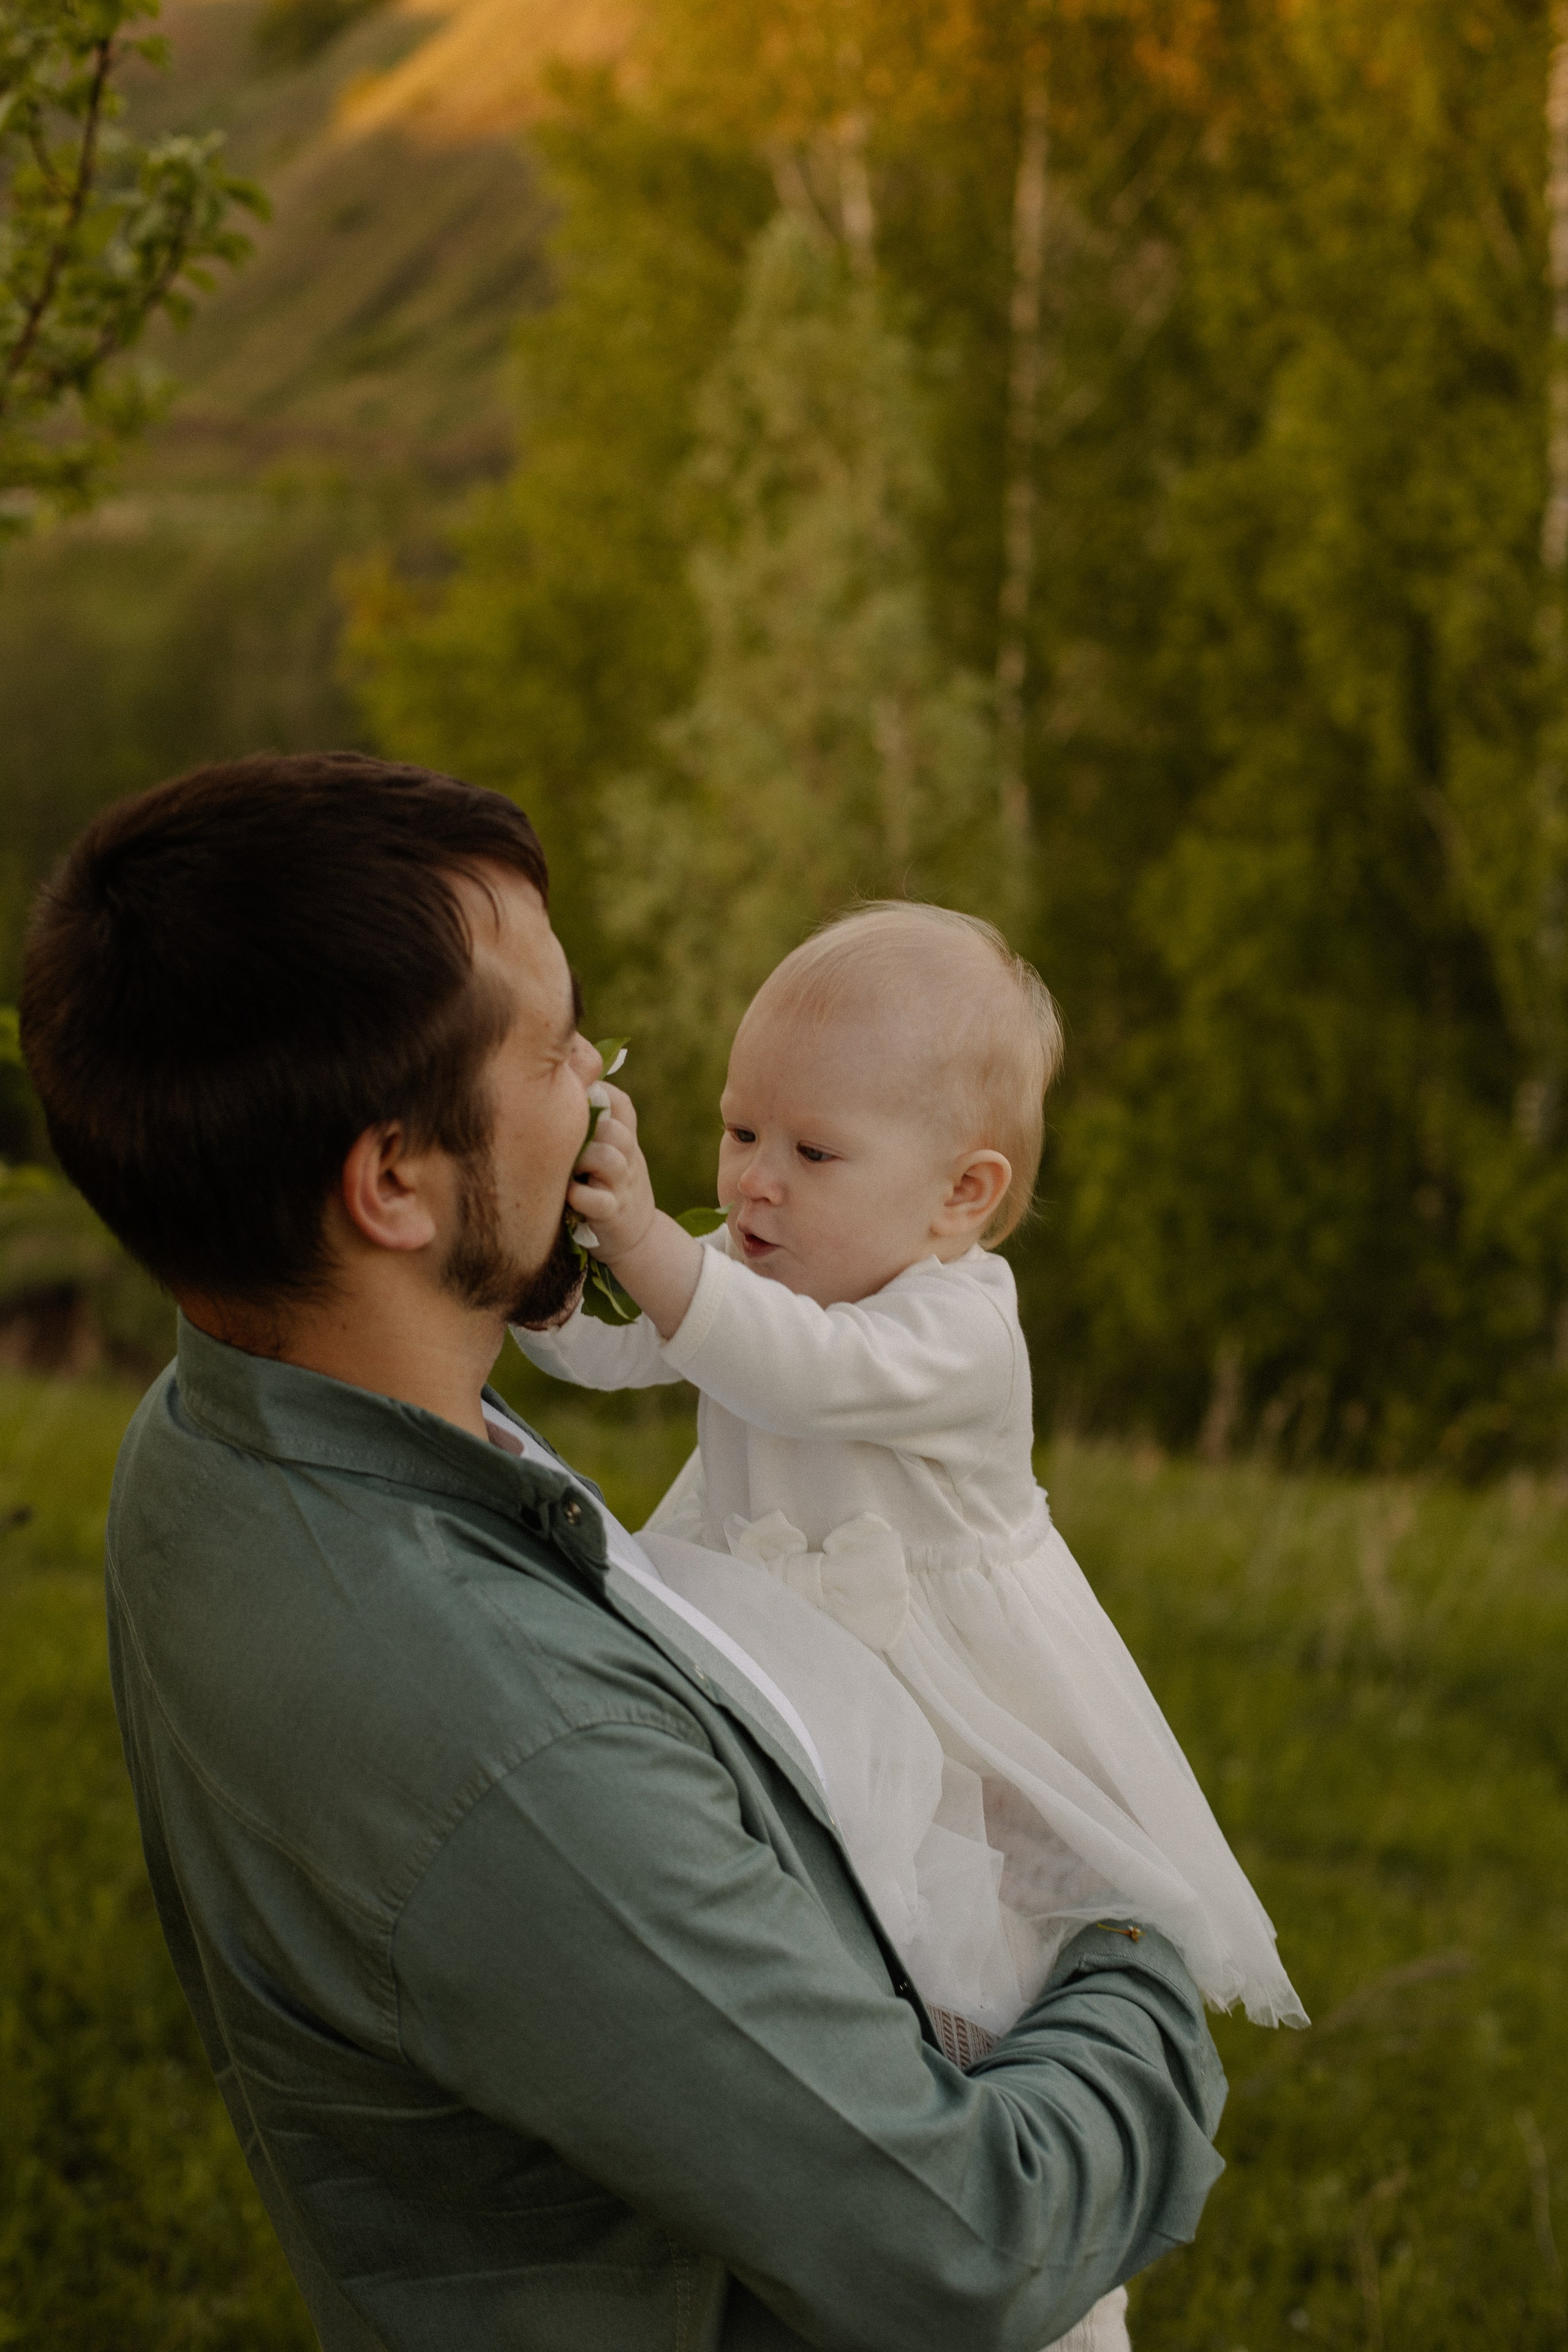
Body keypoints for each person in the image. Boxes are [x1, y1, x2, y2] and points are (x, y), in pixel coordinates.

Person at [20, 752, 1227, 2352]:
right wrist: (1131, 1936)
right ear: (394, 1181)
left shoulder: (209, 1434)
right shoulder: (523, 1748)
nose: (599, 1083)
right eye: (554, 1044)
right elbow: (977, 2244)